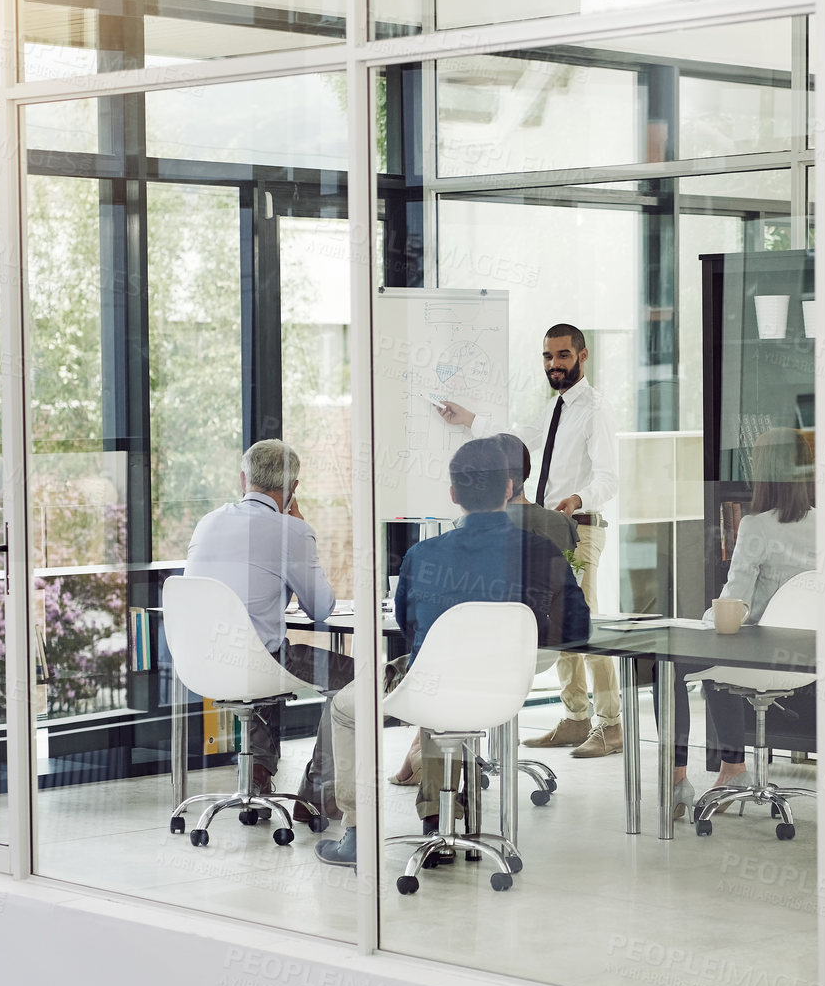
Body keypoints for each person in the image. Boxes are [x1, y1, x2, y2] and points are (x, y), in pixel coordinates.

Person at [315, 438, 590, 867]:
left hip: (434, 685)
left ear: (454, 496)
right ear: (509, 489)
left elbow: (409, 629)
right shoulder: (541, 552)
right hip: (506, 683)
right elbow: (576, 628)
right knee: (439, 679)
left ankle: (358, 833)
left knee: (353, 706)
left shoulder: (421, 555)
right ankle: (437, 819)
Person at [435, 323, 621, 757]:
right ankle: (576, 718)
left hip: (580, 527)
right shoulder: (555, 407)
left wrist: (577, 497)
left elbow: (609, 479)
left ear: (582, 356)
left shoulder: (595, 409)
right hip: (542, 527)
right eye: (547, 357)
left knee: (583, 623)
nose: (554, 365)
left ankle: (611, 724)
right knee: (558, 623)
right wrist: (471, 421)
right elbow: (518, 440)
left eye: (563, 356)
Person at [184, 439, 351, 821]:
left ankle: (257, 773)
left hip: (199, 662)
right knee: (356, 678)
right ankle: (319, 792)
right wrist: (299, 528)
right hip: (259, 663)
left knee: (269, 648)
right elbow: (321, 608)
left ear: (243, 479)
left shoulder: (207, 521)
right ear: (293, 489)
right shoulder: (291, 531)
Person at [694, 425, 817, 806]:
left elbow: (737, 605)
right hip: (816, 659)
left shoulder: (755, 526)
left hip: (766, 657)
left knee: (707, 660)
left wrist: (701, 622)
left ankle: (732, 767)